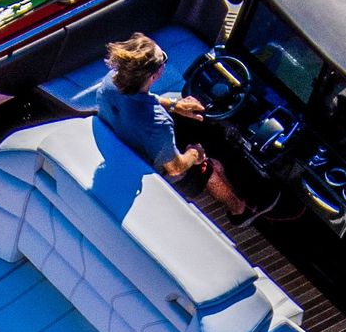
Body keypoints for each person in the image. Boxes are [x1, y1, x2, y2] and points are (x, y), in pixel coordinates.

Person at [93, 36, 239, 213]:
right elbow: (175, 168)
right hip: (153, 170)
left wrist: (174, 105)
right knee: (214, 166)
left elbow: (140, 100)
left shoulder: (113, 80)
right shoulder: (158, 123)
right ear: (155, 75)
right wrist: (194, 154)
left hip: (120, 143)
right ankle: (238, 208)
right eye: (163, 58)